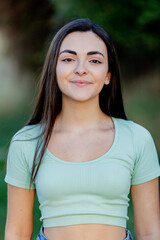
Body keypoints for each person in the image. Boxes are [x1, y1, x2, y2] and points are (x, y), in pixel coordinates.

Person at [4, 19, 160, 240]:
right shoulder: (27, 142)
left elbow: (150, 233)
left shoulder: (137, 139)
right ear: (54, 70)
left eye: (94, 60)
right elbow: (16, 234)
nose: (81, 69)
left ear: (108, 75)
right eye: (68, 59)